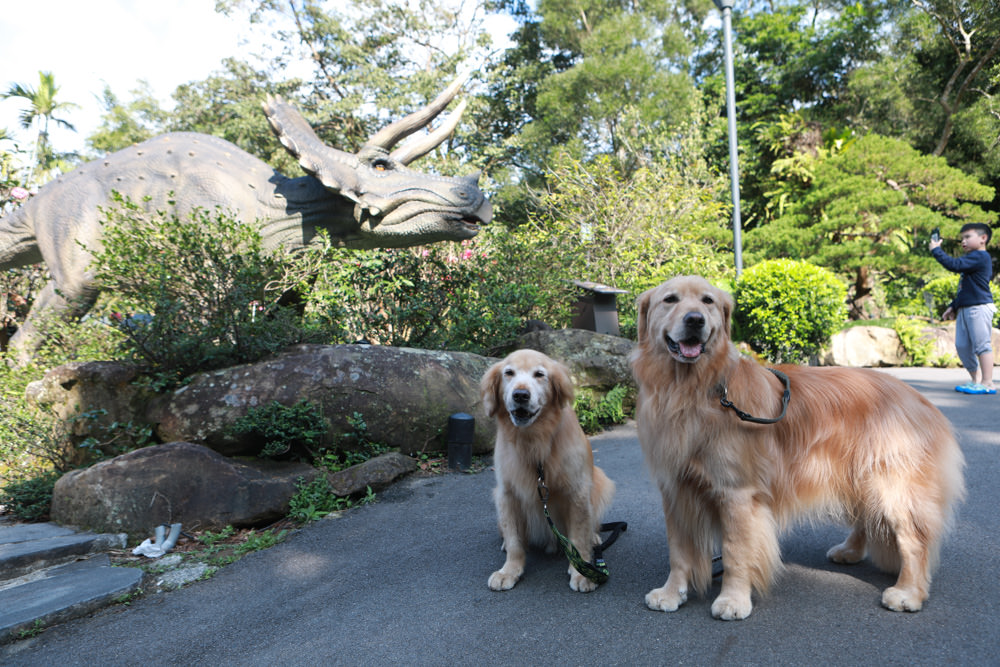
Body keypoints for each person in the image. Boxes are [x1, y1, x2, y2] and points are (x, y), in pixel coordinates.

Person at [929, 223, 996, 395]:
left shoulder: (980, 256)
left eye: (967, 237)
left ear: (983, 239)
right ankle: (975, 380)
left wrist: (936, 250)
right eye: (962, 238)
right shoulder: (972, 260)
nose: (963, 241)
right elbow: (965, 290)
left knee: (982, 346)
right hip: (966, 308)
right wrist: (953, 306)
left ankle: (988, 383)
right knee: (962, 346)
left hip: (979, 307)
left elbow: (954, 264)